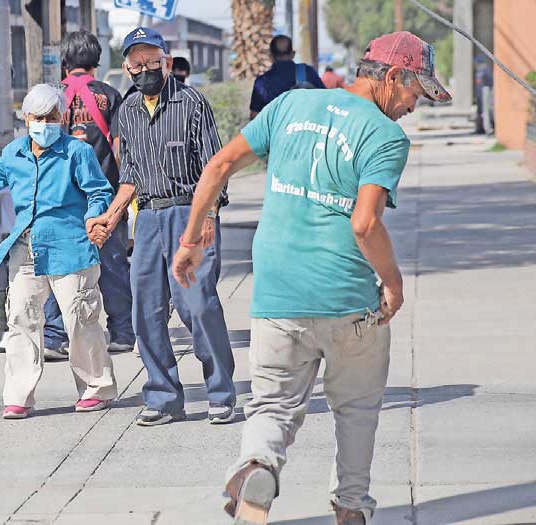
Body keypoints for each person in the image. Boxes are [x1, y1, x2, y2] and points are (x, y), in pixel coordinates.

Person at [172, 31, 451, 524]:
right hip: (347, 300)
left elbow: (219, 165)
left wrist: (191, 239)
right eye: (414, 92)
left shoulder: (289, 106)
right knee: (358, 411)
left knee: (271, 407)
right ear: (391, 78)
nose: (414, 105)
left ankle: (258, 466)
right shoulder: (385, 137)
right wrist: (394, 283)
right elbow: (365, 224)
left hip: (278, 295)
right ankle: (350, 506)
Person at [0, 84, 118, 420]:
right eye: (39, 117)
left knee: (79, 318)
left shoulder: (77, 152)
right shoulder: (14, 152)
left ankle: (96, 389)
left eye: (52, 117)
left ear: (61, 119)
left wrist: (95, 217)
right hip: (26, 247)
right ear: (26, 118)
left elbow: (98, 192)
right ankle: (19, 396)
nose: (45, 123)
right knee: (20, 317)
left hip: (70, 246)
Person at [92, 27, 236, 426]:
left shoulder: (192, 103)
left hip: (190, 212)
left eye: (152, 61)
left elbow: (215, 167)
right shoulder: (129, 111)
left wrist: (208, 218)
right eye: (136, 63)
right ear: (126, 67)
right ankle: (162, 396)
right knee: (146, 311)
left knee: (198, 307)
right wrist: (112, 215)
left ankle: (222, 393)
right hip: (149, 218)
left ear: (167, 61)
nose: (145, 69)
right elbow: (132, 174)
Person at [41, 29, 135, 361]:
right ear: (97, 60)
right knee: (112, 266)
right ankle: (123, 332)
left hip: (62, 200)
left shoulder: (51, 97)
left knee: (57, 267)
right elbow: (122, 148)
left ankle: (54, 336)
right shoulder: (111, 95)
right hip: (107, 198)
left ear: (65, 60)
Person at [249, 34, 325, 119]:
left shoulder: (262, 82)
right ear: (293, 54)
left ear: (271, 56)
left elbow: (254, 116)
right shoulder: (308, 73)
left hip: (275, 131)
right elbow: (325, 101)